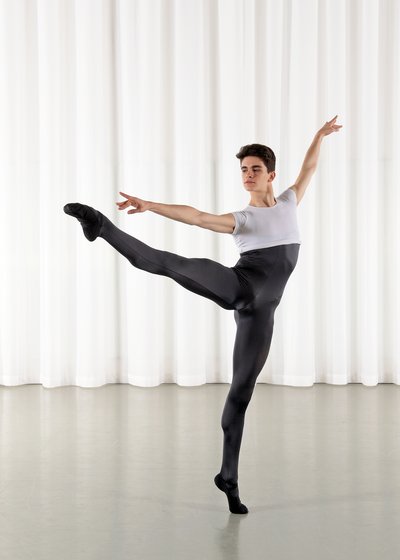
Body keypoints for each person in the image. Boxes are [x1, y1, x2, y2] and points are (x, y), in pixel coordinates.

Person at [63, 116, 342, 514]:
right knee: (170, 263)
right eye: (243, 170)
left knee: (241, 394)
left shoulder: (289, 202)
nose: (247, 175)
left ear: (271, 175)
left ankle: (228, 477)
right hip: (238, 286)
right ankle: (100, 225)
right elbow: (195, 216)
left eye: (255, 169)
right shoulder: (242, 219)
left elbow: (309, 167)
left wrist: (319, 136)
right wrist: (151, 205)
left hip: (261, 314)